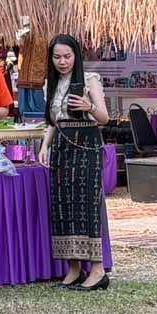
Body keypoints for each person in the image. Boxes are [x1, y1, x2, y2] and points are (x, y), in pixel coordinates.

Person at [40, 35, 112, 291]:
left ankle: (97, 270)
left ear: (76, 56)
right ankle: (74, 268)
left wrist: (88, 105)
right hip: (61, 145)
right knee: (63, 206)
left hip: (85, 145)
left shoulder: (90, 79)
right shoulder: (51, 83)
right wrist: (45, 145)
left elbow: (104, 118)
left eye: (67, 56)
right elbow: (53, 120)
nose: (62, 62)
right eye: (57, 57)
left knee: (86, 205)